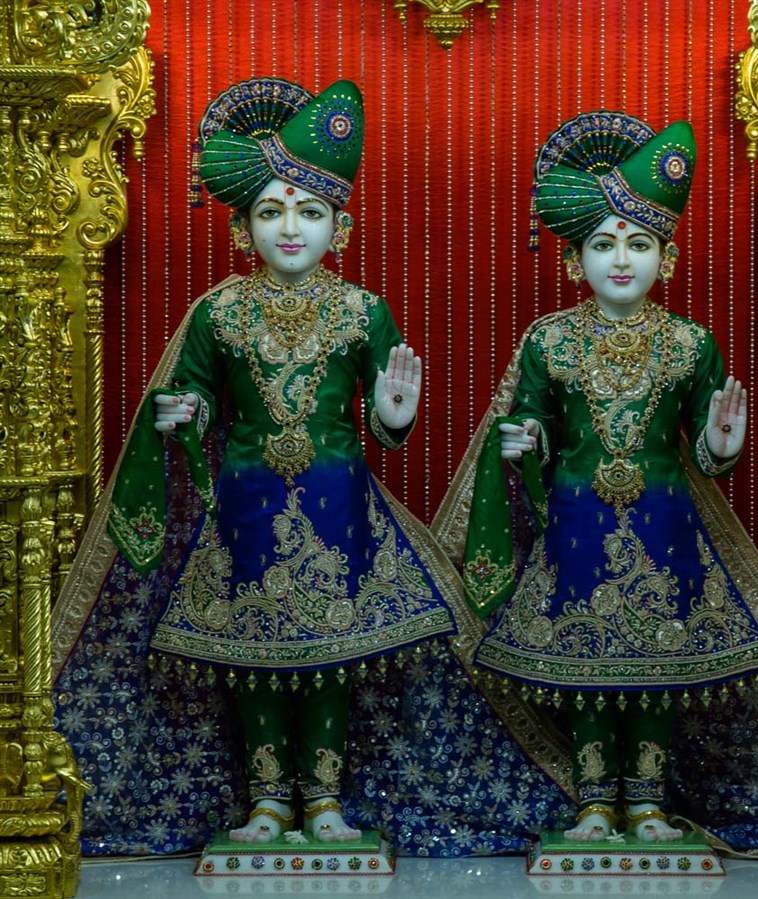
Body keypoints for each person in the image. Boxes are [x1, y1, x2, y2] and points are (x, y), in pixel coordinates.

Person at [104, 76, 458, 844]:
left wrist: (393, 417)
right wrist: (182, 412)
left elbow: (386, 415)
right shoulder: (220, 311)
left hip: (337, 500)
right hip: (246, 500)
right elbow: (196, 394)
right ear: (242, 228)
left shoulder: (363, 310)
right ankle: (268, 799)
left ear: (341, 224)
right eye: (271, 212)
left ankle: (323, 799)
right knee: (254, 646)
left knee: (331, 648)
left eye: (310, 211)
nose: (290, 229)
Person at [459, 111, 758, 844]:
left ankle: (650, 803)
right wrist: (527, 437)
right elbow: (531, 418)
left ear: (667, 255)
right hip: (576, 521)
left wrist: (721, 443)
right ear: (576, 260)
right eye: (603, 245)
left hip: (664, 521)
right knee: (586, 657)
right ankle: (596, 802)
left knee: (655, 658)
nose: (622, 260)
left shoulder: (690, 344)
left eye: (639, 244)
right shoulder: (550, 340)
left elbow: (709, 449)